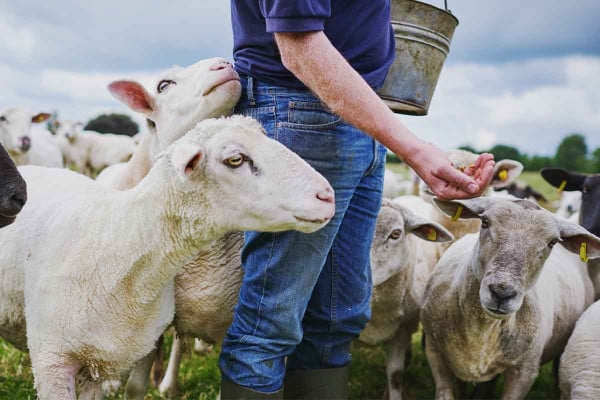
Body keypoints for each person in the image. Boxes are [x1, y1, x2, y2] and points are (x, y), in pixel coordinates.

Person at [220, 1, 495, 398]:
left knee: (337, 318)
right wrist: (415, 151)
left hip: (361, 114)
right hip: (301, 114)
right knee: (270, 321)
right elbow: (299, 44)